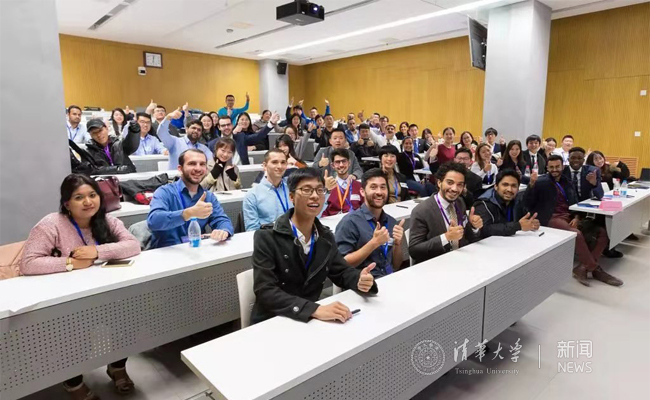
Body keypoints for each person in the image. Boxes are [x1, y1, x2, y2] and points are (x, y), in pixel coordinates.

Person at [21, 173, 141, 399]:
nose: (88, 202)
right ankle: (73, 383)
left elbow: (133, 245)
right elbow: (28, 263)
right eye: (79, 197)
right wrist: (70, 263)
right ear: (67, 203)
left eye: (92, 195)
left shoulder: (107, 220)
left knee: (125, 324)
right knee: (75, 339)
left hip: (103, 292)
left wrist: (96, 251)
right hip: (64, 298)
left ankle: (117, 367)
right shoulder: (51, 224)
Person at [250, 168, 378, 324]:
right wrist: (313, 310)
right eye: (306, 190)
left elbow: (341, 271)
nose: (315, 196)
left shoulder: (325, 236)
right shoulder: (267, 237)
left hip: (309, 320)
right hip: (272, 320)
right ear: (291, 197)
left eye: (320, 190)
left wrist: (359, 279)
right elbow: (265, 290)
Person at [525, 155, 622, 286]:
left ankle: (582, 267)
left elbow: (574, 201)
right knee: (576, 234)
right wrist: (531, 185)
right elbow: (528, 203)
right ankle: (595, 269)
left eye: (557, 166)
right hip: (551, 217)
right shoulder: (541, 182)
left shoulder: (567, 181)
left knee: (603, 233)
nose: (554, 169)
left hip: (570, 216)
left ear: (562, 167)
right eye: (551, 167)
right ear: (547, 167)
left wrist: (576, 217)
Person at [147, 149, 234, 249]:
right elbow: (153, 221)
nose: (198, 168)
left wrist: (223, 230)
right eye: (192, 164)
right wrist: (188, 213)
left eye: (202, 164)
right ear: (180, 169)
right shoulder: (165, 192)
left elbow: (222, 220)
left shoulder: (208, 196)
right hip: (168, 252)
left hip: (196, 250)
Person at [409, 162, 483, 265]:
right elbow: (414, 251)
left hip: (460, 260)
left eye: (460, 185)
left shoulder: (460, 202)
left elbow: (468, 237)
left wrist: (474, 227)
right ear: (439, 183)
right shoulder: (422, 211)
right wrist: (446, 237)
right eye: (450, 182)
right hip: (435, 265)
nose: (455, 189)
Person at [335, 168, 405, 278]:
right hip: (364, 282)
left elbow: (396, 265)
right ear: (362, 191)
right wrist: (374, 243)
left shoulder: (391, 222)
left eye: (383, 187)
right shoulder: (350, 222)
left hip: (390, 279)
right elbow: (342, 264)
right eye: (373, 187)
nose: (379, 192)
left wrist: (397, 244)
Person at [473, 169, 540, 238]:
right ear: (496, 186)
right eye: (505, 185)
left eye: (513, 186)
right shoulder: (484, 204)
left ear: (518, 189)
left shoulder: (516, 201)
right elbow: (484, 230)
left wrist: (530, 223)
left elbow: (523, 219)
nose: (509, 189)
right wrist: (518, 226)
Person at [243, 149, 293, 231]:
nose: (280, 166)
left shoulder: (292, 189)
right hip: (268, 237)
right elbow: (252, 230)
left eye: (283, 162)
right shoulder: (252, 195)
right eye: (274, 162)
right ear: (265, 166)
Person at [322, 149, 364, 216]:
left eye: (344, 161)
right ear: (332, 165)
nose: (341, 165)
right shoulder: (329, 186)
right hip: (333, 221)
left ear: (349, 163)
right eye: (337, 162)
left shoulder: (359, 186)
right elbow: (320, 212)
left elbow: (366, 209)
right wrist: (326, 190)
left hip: (355, 220)